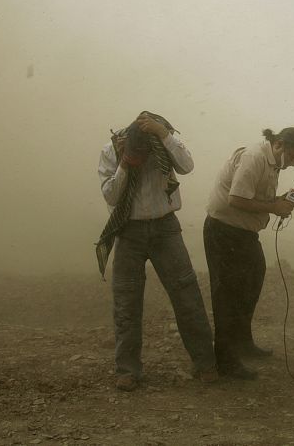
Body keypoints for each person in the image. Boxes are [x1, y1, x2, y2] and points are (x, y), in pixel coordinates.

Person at [96, 111, 217, 392]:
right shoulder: (111, 151)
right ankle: (127, 370)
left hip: (165, 227)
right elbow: (111, 196)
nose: (147, 152)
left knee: (187, 295)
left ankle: (205, 363)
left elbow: (187, 166)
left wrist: (164, 135)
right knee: (127, 302)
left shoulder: (165, 145)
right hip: (129, 229)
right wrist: (127, 163)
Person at [204, 127, 294, 379]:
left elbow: (254, 198)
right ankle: (226, 360)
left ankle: (243, 343)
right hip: (224, 230)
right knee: (228, 294)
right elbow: (236, 199)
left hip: (243, 234)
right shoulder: (254, 157)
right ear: (279, 144)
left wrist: (278, 200)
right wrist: (274, 207)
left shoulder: (272, 163)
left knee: (252, 281)